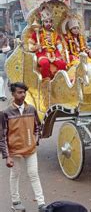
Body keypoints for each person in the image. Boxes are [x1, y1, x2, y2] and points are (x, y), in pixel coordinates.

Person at [0, 82, 46, 212]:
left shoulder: (31, 109)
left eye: (24, 92)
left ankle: (42, 204)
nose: (23, 94)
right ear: (13, 94)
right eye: (19, 92)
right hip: (14, 152)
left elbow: (38, 126)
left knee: (34, 174)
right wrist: (7, 156)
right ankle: (16, 202)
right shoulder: (5, 113)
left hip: (30, 150)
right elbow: (2, 136)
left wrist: (35, 139)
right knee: (15, 175)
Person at [27, 7, 67, 79]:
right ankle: (45, 81)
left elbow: (59, 45)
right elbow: (30, 46)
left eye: (50, 21)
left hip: (54, 53)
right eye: (46, 22)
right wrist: (36, 46)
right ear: (42, 22)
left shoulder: (54, 33)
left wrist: (62, 53)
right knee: (44, 63)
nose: (49, 23)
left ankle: (60, 80)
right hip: (42, 53)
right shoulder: (37, 33)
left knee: (62, 64)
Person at [0, 32, 11, 101]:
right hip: (3, 60)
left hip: (4, 61)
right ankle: (2, 95)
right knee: (1, 80)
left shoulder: (5, 40)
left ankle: (2, 95)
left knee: (4, 80)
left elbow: (8, 48)